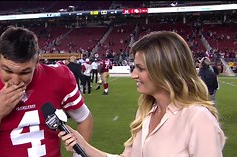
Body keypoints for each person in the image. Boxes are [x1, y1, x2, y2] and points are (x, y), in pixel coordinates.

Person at [59, 31, 226, 157]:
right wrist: (83, 145)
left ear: (165, 70)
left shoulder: (198, 119)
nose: (133, 75)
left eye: (141, 68)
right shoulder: (146, 112)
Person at [0, 26, 93, 157]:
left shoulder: (58, 77)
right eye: (7, 70)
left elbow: (85, 118)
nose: (16, 80)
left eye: (25, 72)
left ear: (37, 60)